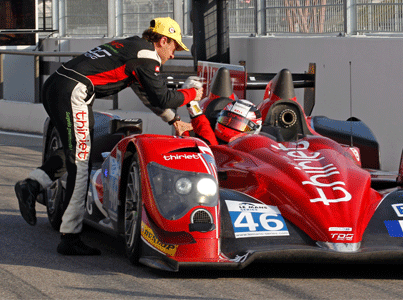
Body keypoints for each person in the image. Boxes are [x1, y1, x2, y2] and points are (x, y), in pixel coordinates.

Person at [14, 17, 202, 256]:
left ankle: (31, 185)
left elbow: (145, 94)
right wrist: (191, 93)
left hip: (57, 86)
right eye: (175, 47)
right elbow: (162, 97)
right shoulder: (147, 57)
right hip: (74, 91)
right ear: (163, 40)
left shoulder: (133, 47)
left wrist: (173, 120)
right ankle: (69, 236)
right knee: (81, 163)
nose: (173, 55)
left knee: (77, 150)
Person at [182, 97, 262, 146]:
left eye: (237, 124)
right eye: (226, 120)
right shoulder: (208, 139)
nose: (229, 126)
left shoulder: (258, 149)